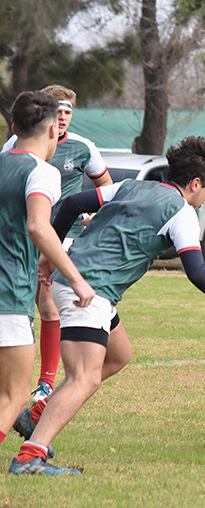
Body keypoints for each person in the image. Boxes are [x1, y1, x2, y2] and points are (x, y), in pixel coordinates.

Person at [9, 135, 205, 475]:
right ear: (195, 183)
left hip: (87, 286)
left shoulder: (128, 187)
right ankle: (29, 458)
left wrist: (54, 258)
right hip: (88, 291)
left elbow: (72, 204)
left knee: (119, 355)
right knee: (84, 378)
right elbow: (197, 271)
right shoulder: (182, 212)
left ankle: (36, 416)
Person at [2, 85, 112, 406]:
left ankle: (46, 382)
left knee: (47, 302)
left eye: (69, 112)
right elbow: (35, 222)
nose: (63, 118)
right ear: (50, 120)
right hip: (26, 240)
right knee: (26, 306)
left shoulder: (83, 147)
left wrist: (94, 213)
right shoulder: (26, 157)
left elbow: (105, 188)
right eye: (58, 111)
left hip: (63, 237)